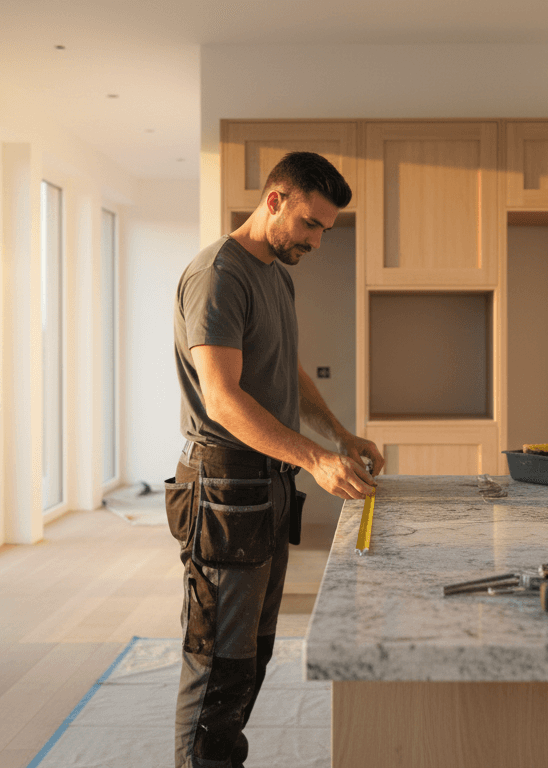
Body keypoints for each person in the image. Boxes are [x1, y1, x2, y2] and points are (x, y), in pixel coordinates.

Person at [166, 151, 385, 768]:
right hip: (225, 489)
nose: (316, 240)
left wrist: (338, 435)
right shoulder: (220, 275)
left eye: (325, 229)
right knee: (219, 664)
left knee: (253, 655)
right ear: (274, 200)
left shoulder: (275, 275)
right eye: (310, 223)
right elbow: (222, 399)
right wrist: (315, 459)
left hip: (266, 486)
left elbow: (283, 368)